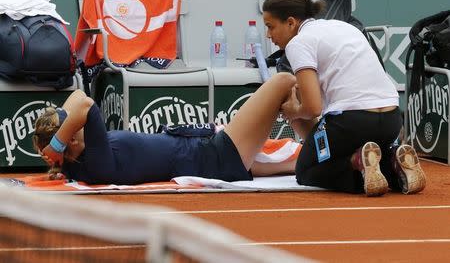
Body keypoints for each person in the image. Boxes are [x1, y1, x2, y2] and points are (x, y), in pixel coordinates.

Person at [262, 0, 426, 196]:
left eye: (270, 27)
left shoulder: (298, 43)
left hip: (351, 122)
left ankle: (356, 161)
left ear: (291, 22)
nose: (269, 35)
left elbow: (312, 108)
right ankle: (393, 163)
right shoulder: (344, 26)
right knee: (354, 148)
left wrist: (293, 111)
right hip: (392, 119)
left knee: (306, 171)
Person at [32, 74, 297, 185]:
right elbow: (84, 102)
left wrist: (57, 147)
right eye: (72, 129)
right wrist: (57, 144)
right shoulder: (96, 162)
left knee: (305, 163)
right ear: (72, 143)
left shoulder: (78, 159)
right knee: (283, 81)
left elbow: (76, 97)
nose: (74, 126)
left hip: (209, 147)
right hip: (216, 156)